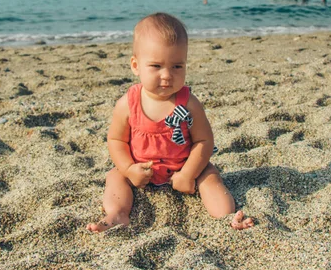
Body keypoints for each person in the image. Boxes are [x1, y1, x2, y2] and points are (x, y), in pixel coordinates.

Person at [86, 13, 254, 233]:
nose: (167, 75)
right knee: (115, 176)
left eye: (177, 67)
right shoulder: (127, 104)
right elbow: (116, 139)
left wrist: (188, 174)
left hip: (184, 168)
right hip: (141, 170)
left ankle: (227, 217)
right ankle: (117, 214)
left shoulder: (189, 103)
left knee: (210, 176)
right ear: (136, 66)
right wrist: (129, 169)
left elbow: (203, 140)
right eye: (156, 66)